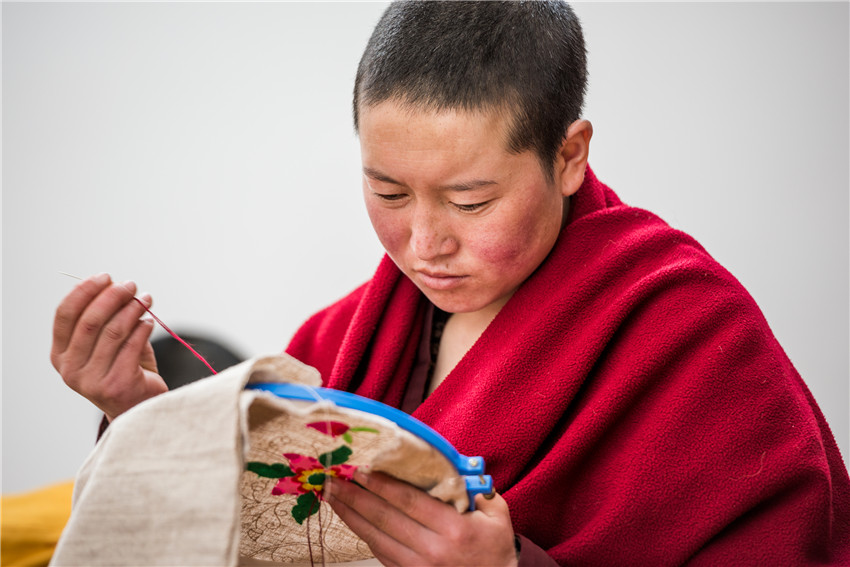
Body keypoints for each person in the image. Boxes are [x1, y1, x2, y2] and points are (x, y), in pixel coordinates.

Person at [50, 2, 849, 565]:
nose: (424, 244)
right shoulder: (336, 340)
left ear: (568, 156)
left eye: (470, 201)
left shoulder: (686, 328)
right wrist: (145, 419)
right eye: (389, 192)